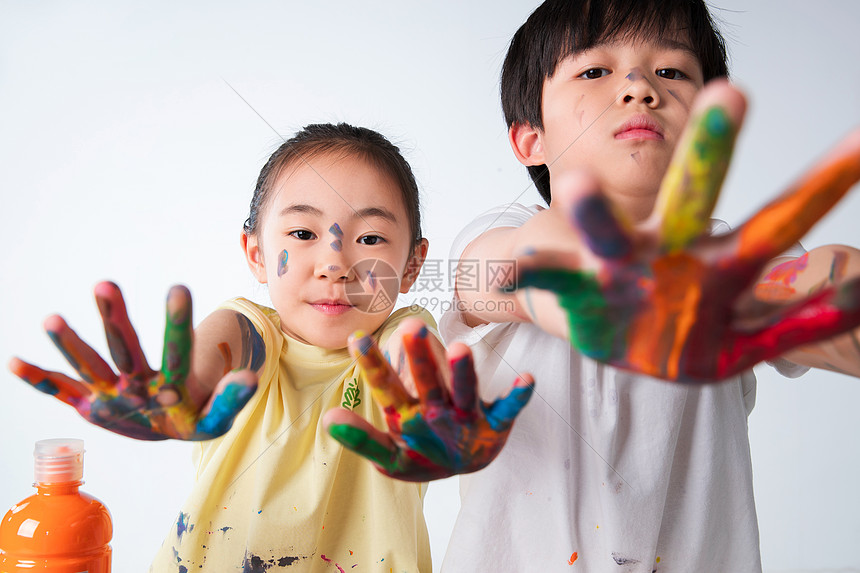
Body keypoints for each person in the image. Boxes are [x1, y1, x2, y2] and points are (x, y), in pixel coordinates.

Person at [434, 1, 860, 571]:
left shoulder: (731, 264)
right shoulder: (498, 235)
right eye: (594, 71)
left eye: (672, 72)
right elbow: (495, 274)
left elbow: (817, 295)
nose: (638, 87)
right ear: (529, 139)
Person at [8, 123, 532, 572]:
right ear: (256, 253)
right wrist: (182, 390)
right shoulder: (250, 332)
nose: (334, 262)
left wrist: (436, 411)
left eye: (370, 239)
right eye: (303, 232)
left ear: (413, 264)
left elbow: (416, 364)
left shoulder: (401, 337)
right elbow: (213, 356)